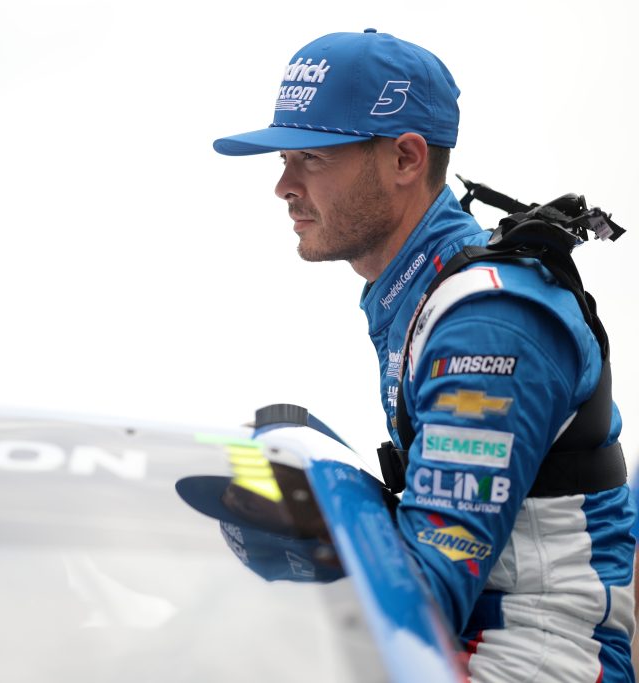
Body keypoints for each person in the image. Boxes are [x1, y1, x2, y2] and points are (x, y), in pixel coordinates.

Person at [212, 29, 634, 681]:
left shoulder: (487, 324)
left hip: (535, 664)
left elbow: (420, 596)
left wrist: (302, 533)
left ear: (406, 158)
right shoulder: (426, 296)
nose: (283, 186)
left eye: (311, 158)